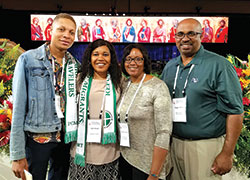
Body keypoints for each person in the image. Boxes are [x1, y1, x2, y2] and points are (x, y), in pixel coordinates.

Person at [161, 18, 243, 180]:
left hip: (204, 146)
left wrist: (227, 153)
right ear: (175, 37)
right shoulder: (170, 66)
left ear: (202, 35)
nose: (185, 38)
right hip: (174, 144)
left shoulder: (219, 65)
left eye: (191, 33)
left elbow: (235, 112)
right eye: (180, 34)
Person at [10, 13, 80, 180]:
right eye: (61, 30)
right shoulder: (28, 60)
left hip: (65, 139)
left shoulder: (75, 65)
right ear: (50, 30)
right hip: (37, 138)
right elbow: (18, 108)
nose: (67, 35)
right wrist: (17, 154)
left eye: (71, 32)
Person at [68, 39, 122, 180]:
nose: (100, 58)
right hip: (82, 153)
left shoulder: (119, 81)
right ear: (89, 58)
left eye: (105, 54)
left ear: (111, 58)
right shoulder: (79, 80)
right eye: (95, 54)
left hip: (110, 153)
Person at [118, 44, 172, 180]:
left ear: (145, 62)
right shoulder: (124, 84)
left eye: (138, 59)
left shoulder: (158, 87)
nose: (133, 63)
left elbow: (164, 132)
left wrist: (154, 174)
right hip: (124, 157)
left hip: (148, 164)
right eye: (129, 59)